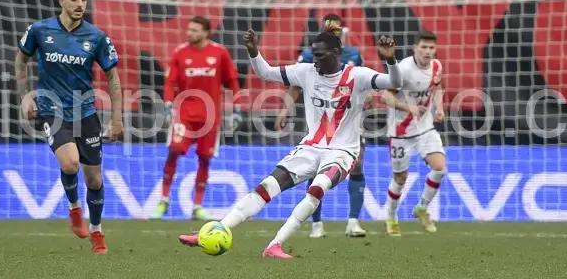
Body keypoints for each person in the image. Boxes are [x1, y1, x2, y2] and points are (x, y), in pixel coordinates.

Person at [179, 29, 402, 259]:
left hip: (343, 152)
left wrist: (391, 60)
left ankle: (275, 244)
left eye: (320, 55)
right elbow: (265, 73)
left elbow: (395, 82)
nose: (315, 60)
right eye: (313, 54)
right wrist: (254, 51)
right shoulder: (305, 71)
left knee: (317, 188)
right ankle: (216, 229)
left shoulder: (358, 75)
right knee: (266, 186)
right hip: (310, 147)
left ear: (336, 53)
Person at [15, 0, 123, 254]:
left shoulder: (96, 36)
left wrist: (117, 117)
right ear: (61, 0)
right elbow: (21, 59)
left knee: (95, 180)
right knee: (71, 163)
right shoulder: (40, 30)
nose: (79, 4)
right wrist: (26, 95)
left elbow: (112, 77)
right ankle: (75, 207)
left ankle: (97, 232)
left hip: (86, 112)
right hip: (53, 111)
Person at [276, 14, 367, 238]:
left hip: (348, 122)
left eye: (337, 30)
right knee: (315, 167)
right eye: (329, 29)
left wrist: (368, 97)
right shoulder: (310, 55)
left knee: (356, 165)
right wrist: (284, 110)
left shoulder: (353, 55)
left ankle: (353, 222)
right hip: (320, 121)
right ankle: (317, 224)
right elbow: (296, 86)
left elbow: (362, 83)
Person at [151, 16, 241, 221]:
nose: (189, 33)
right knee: (174, 151)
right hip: (184, 114)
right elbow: (170, 82)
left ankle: (197, 206)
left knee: (205, 158)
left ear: (206, 32)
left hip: (210, 118)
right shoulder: (180, 53)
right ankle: (164, 199)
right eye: (189, 29)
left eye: (194, 30)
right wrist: (167, 104)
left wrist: (237, 108)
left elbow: (232, 81)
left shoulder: (219, 53)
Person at [382, 31, 447, 236]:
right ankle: (391, 217)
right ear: (415, 48)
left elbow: (437, 86)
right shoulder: (402, 69)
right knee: (400, 178)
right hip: (400, 132)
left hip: (425, 127)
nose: (428, 52)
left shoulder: (436, 66)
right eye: (424, 47)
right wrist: (406, 108)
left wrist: (439, 107)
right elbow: (385, 96)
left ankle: (422, 208)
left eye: (431, 48)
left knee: (439, 168)